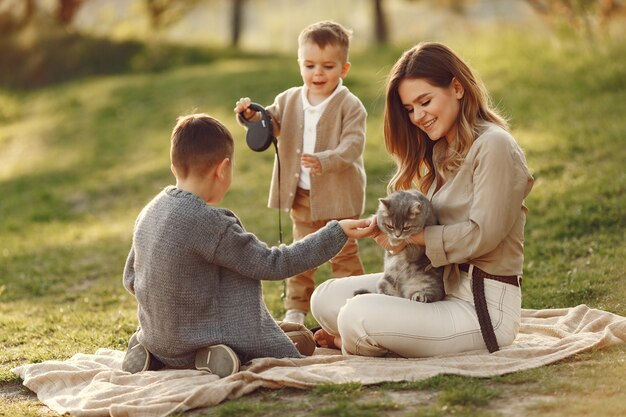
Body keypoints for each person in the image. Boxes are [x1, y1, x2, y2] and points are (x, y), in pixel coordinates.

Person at [310, 42, 534, 357]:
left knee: (355, 315)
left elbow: (483, 235)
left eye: (424, 101)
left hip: (480, 309)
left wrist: (413, 236)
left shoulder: (495, 146)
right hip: (434, 286)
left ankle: (350, 340)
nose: (417, 116)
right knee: (325, 296)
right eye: (409, 108)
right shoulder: (442, 149)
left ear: (457, 87)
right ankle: (380, 335)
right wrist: (392, 235)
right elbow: (429, 231)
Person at [121, 113, 375, 376]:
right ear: (223, 169)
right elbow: (272, 263)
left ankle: (152, 352)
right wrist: (335, 232)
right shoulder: (210, 223)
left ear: (174, 168)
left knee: (294, 330)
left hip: (155, 335)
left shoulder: (149, 211)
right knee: (303, 342)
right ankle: (205, 352)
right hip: (196, 338)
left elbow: (130, 278)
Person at [234, 20, 367, 326]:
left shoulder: (350, 106)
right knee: (300, 254)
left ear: (344, 69)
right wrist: (252, 117)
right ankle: (296, 308)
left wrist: (327, 159)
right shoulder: (290, 99)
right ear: (300, 65)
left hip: (338, 198)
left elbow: (353, 144)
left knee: (343, 254)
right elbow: (270, 122)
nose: (317, 73)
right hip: (302, 196)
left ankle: (355, 305)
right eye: (310, 65)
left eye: (327, 66)